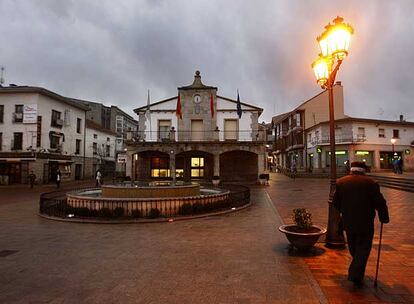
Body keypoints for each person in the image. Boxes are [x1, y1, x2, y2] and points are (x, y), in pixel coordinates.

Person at [333, 161, 389, 287]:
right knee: (363, 249)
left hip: (348, 221)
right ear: (363, 170)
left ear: (351, 170)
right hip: (365, 222)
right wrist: (384, 217)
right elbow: (380, 202)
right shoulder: (371, 183)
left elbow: (335, 202)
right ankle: (355, 273)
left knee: (353, 248)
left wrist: (345, 210)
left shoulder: (341, 182)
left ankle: (357, 274)